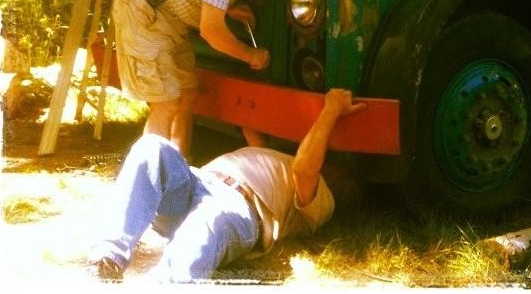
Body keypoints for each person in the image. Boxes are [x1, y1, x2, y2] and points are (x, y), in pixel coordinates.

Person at [87, 87, 366, 283]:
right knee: (152, 146)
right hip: (195, 184)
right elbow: (251, 125)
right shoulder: (278, 160)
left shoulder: (322, 201)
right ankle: (107, 259)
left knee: (208, 221)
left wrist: (331, 110)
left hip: (238, 207)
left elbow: (306, 168)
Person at [112, 0, 295, 153]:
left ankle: (180, 167)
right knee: (165, 103)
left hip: (168, 17)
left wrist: (226, 8)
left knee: (187, 93)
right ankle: (150, 182)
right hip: (143, 13)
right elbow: (211, 32)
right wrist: (250, 54)